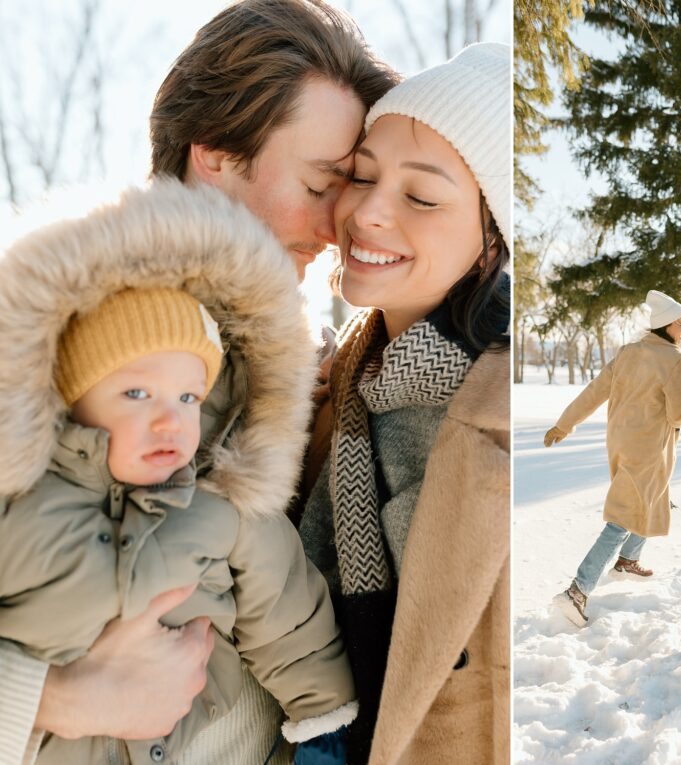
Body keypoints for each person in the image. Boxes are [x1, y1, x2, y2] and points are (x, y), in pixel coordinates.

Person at [0, 2, 398, 762]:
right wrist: (55, 698)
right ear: (214, 153)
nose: (335, 227)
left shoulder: (311, 371)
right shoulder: (36, 332)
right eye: (320, 183)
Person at [0, 279, 362, 764]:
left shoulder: (222, 502)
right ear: (72, 397)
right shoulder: (19, 502)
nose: (170, 421)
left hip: (179, 739)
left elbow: (290, 621)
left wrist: (324, 728)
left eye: (188, 398)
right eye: (137, 392)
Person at [294, 42, 511, 764]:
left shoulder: (495, 412)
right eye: (361, 176)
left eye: (421, 197)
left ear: (492, 241)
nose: (368, 212)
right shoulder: (340, 380)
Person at [545, 290, 681, 628]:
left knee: (651, 496)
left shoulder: (628, 352)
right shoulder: (676, 360)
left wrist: (564, 424)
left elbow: (595, 391)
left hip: (620, 442)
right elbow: (678, 415)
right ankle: (577, 591)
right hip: (648, 447)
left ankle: (628, 560)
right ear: (666, 325)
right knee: (623, 516)